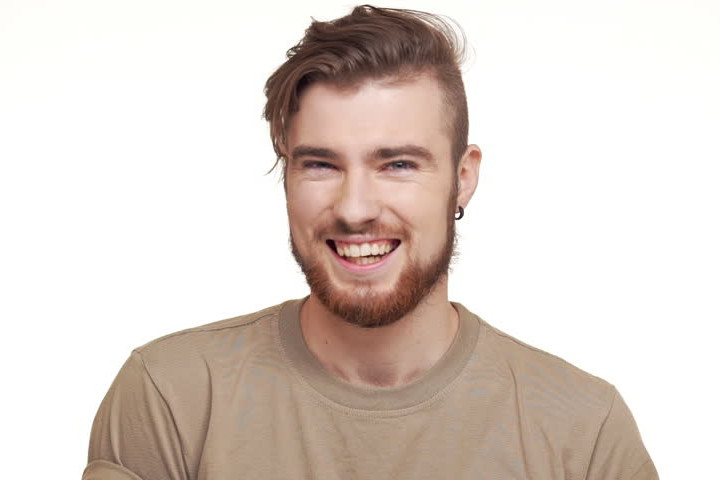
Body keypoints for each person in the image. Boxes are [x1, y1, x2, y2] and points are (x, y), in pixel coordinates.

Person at [83, 5, 657, 479]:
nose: (354, 209)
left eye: (398, 164)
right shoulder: (173, 397)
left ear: (463, 178)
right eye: (320, 165)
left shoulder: (583, 431)